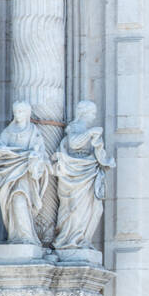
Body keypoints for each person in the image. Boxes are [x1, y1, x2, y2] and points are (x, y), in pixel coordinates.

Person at [53, 100, 114, 250]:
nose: (94, 116)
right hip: (74, 173)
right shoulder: (75, 127)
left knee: (96, 209)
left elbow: (98, 152)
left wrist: (104, 157)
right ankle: (70, 240)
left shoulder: (87, 129)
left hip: (89, 172)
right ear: (84, 113)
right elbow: (73, 143)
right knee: (74, 209)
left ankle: (84, 239)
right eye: (92, 113)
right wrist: (90, 133)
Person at [0, 100, 49, 246]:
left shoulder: (33, 132)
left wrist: (35, 158)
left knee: (20, 201)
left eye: (21, 111)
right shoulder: (9, 131)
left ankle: (27, 237)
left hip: (25, 176)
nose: (18, 114)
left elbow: (41, 154)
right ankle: (16, 236)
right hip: (9, 175)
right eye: (16, 112)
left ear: (27, 113)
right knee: (11, 204)